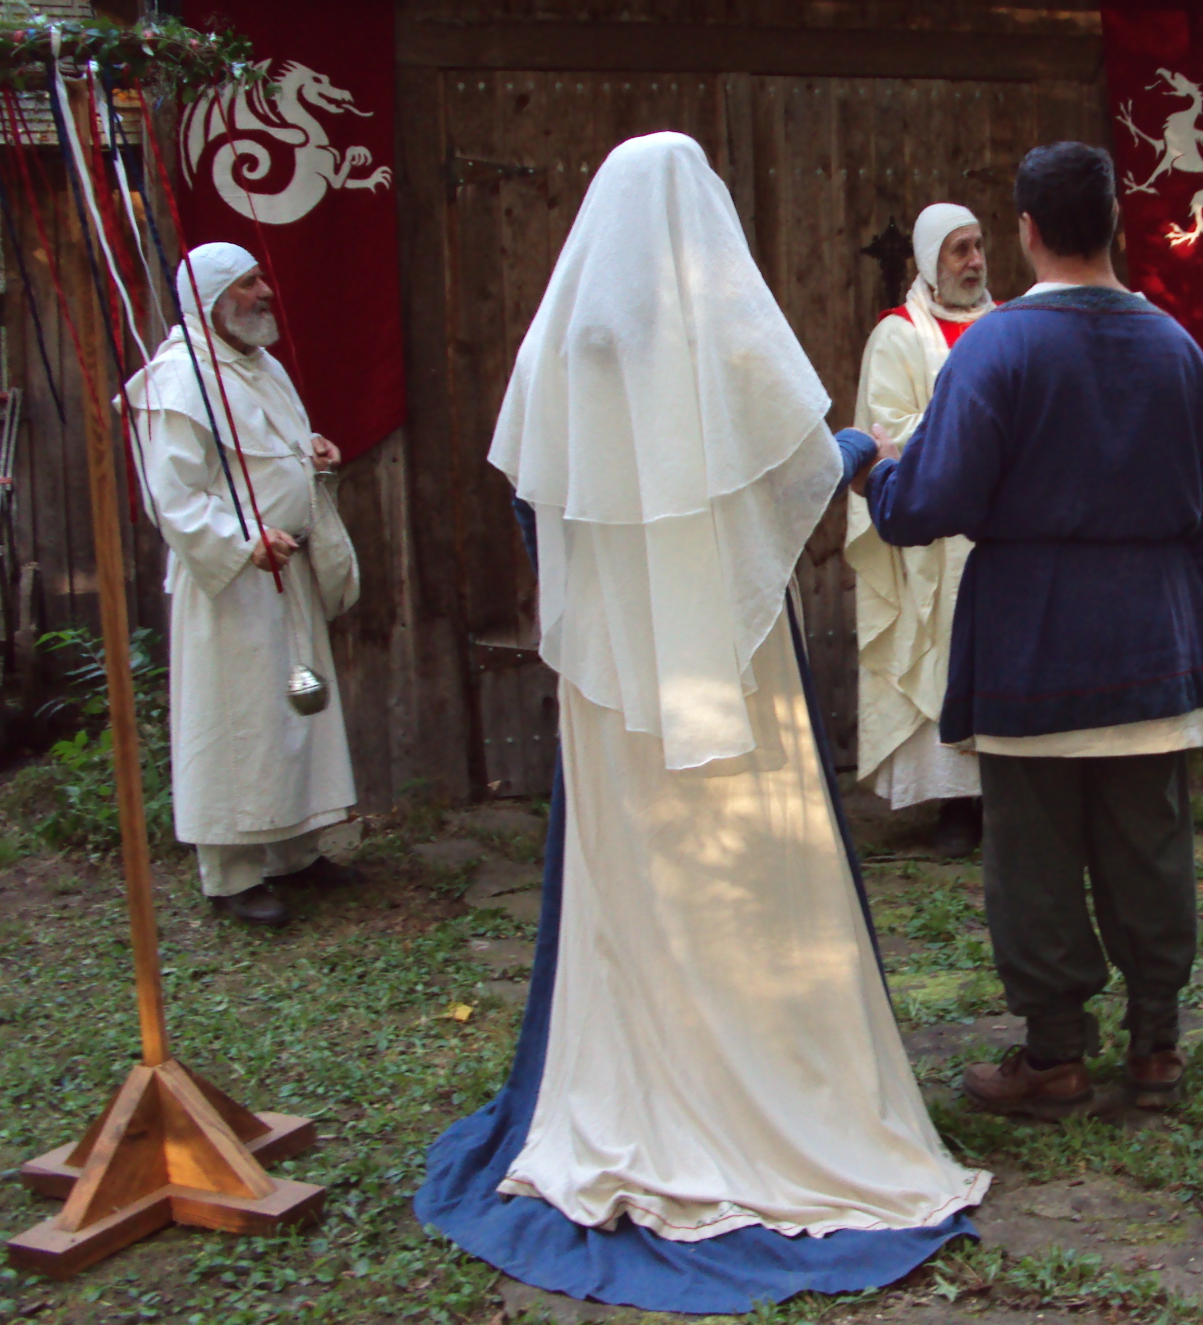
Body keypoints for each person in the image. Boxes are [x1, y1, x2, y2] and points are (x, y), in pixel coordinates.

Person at [416, 133, 985, 1316]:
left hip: (616, 679)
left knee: (640, 869)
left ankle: (640, 1069)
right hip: (724, 660)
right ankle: (770, 1075)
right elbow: (786, 482)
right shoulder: (722, 337)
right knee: (752, 869)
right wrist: (850, 449)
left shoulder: (568, 342)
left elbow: (537, 507)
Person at [861, 141, 1203, 1118]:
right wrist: (1164, 607)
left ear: (1024, 231)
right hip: (1152, 642)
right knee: (1150, 850)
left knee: (1032, 862)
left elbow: (923, 501)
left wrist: (875, 473)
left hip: (1030, 642)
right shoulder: (1178, 349)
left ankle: (1055, 1057)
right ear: (1114, 222)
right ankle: (1155, 1051)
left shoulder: (997, 348)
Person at [122, 243, 361, 928]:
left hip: (289, 570)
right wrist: (241, 543)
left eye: (261, 279)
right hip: (233, 582)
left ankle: (295, 852)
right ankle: (232, 876)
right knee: (236, 723)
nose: (265, 293)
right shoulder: (178, 381)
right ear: (212, 300)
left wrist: (310, 447)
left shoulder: (263, 367)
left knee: (294, 713)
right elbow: (173, 496)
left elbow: (267, 449)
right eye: (248, 283)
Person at [846, 203, 996, 858]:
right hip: (936, 530)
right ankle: (955, 806)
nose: (974, 262)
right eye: (959, 250)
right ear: (932, 260)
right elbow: (887, 428)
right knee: (937, 652)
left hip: (997, 527)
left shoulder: (1007, 325)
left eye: (979, 246)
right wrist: (968, 440)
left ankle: (1005, 796)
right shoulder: (899, 335)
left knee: (999, 655)